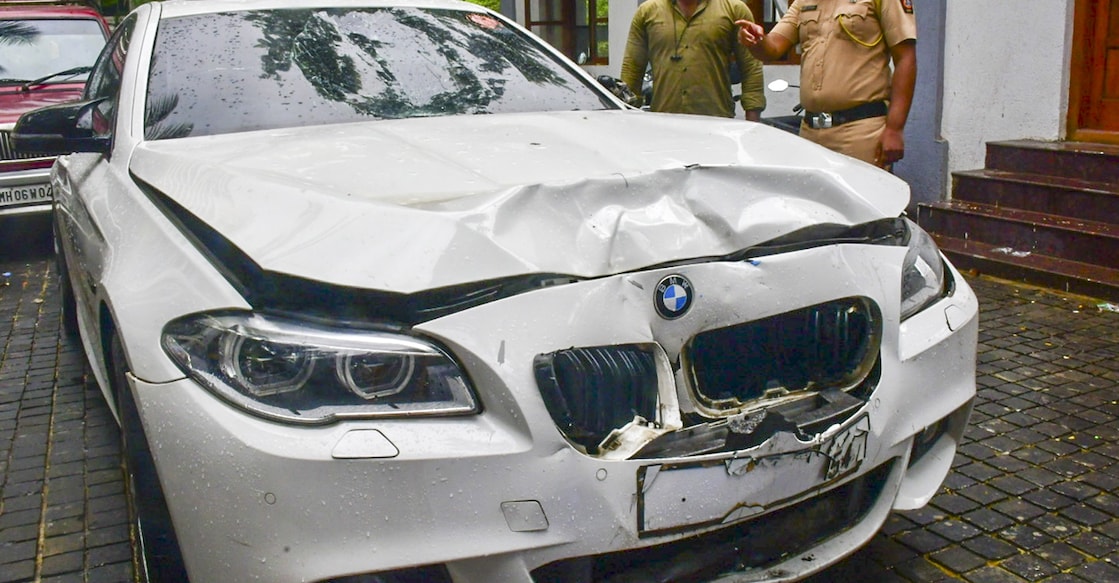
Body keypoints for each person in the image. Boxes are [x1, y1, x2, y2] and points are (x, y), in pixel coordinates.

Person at [736, 0, 916, 168]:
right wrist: (756, 41)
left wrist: (894, 128)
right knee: (811, 201)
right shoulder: (804, 2)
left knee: (861, 199)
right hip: (811, 131)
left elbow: (905, 59)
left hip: (861, 131)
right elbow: (773, 47)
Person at [621, 0, 766, 121]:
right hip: (664, 122)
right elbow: (632, 69)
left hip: (717, 121)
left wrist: (753, 125)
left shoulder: (733, 9)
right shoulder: (647, 12)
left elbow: (751, 68)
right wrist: (626, 120)